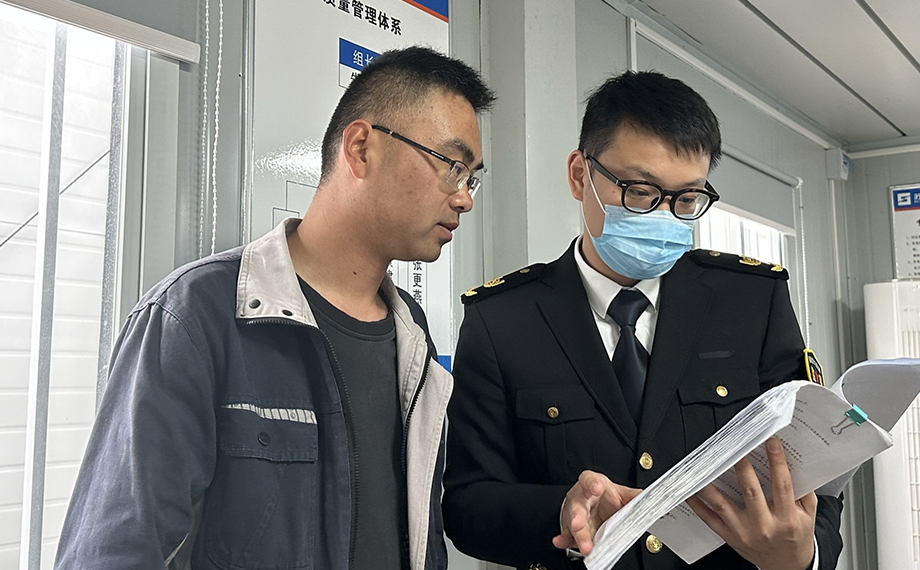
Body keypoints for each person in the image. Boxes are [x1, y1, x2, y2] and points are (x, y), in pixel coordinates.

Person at [55, 46, 494, 570]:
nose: (464, 198)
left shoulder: (411, 332)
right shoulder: (197, 315)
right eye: (451, 166)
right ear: (361, 148)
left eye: (471, 177)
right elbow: (115, 553)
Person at [442, 71, 843, 570]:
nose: (663, 216)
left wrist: (805, 555)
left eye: (687, 199)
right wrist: (560, 512)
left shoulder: (751, 301)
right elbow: (468, 504)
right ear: (579, 175)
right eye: (640, 191)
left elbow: (814, 466)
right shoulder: (503, 321)